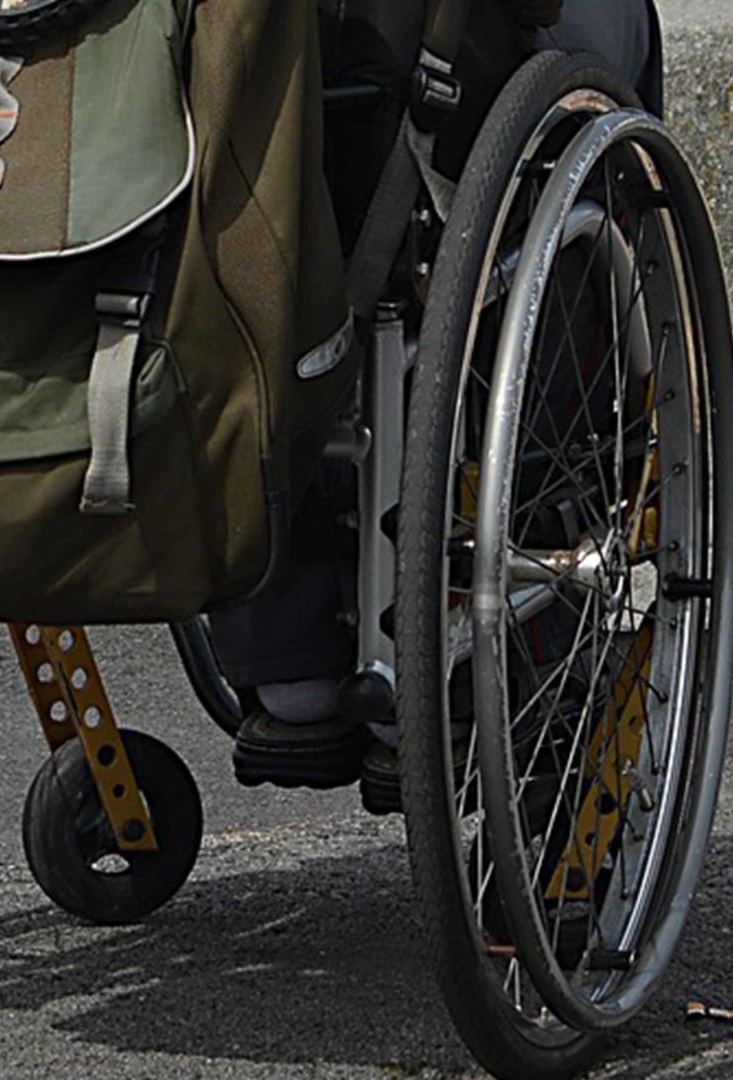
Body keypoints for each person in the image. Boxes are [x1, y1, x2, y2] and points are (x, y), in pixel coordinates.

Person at [216, 0, 664, 793]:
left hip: (241, 101)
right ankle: (480, 637)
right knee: (602, 54)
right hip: (425, 80)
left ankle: (291, 650)